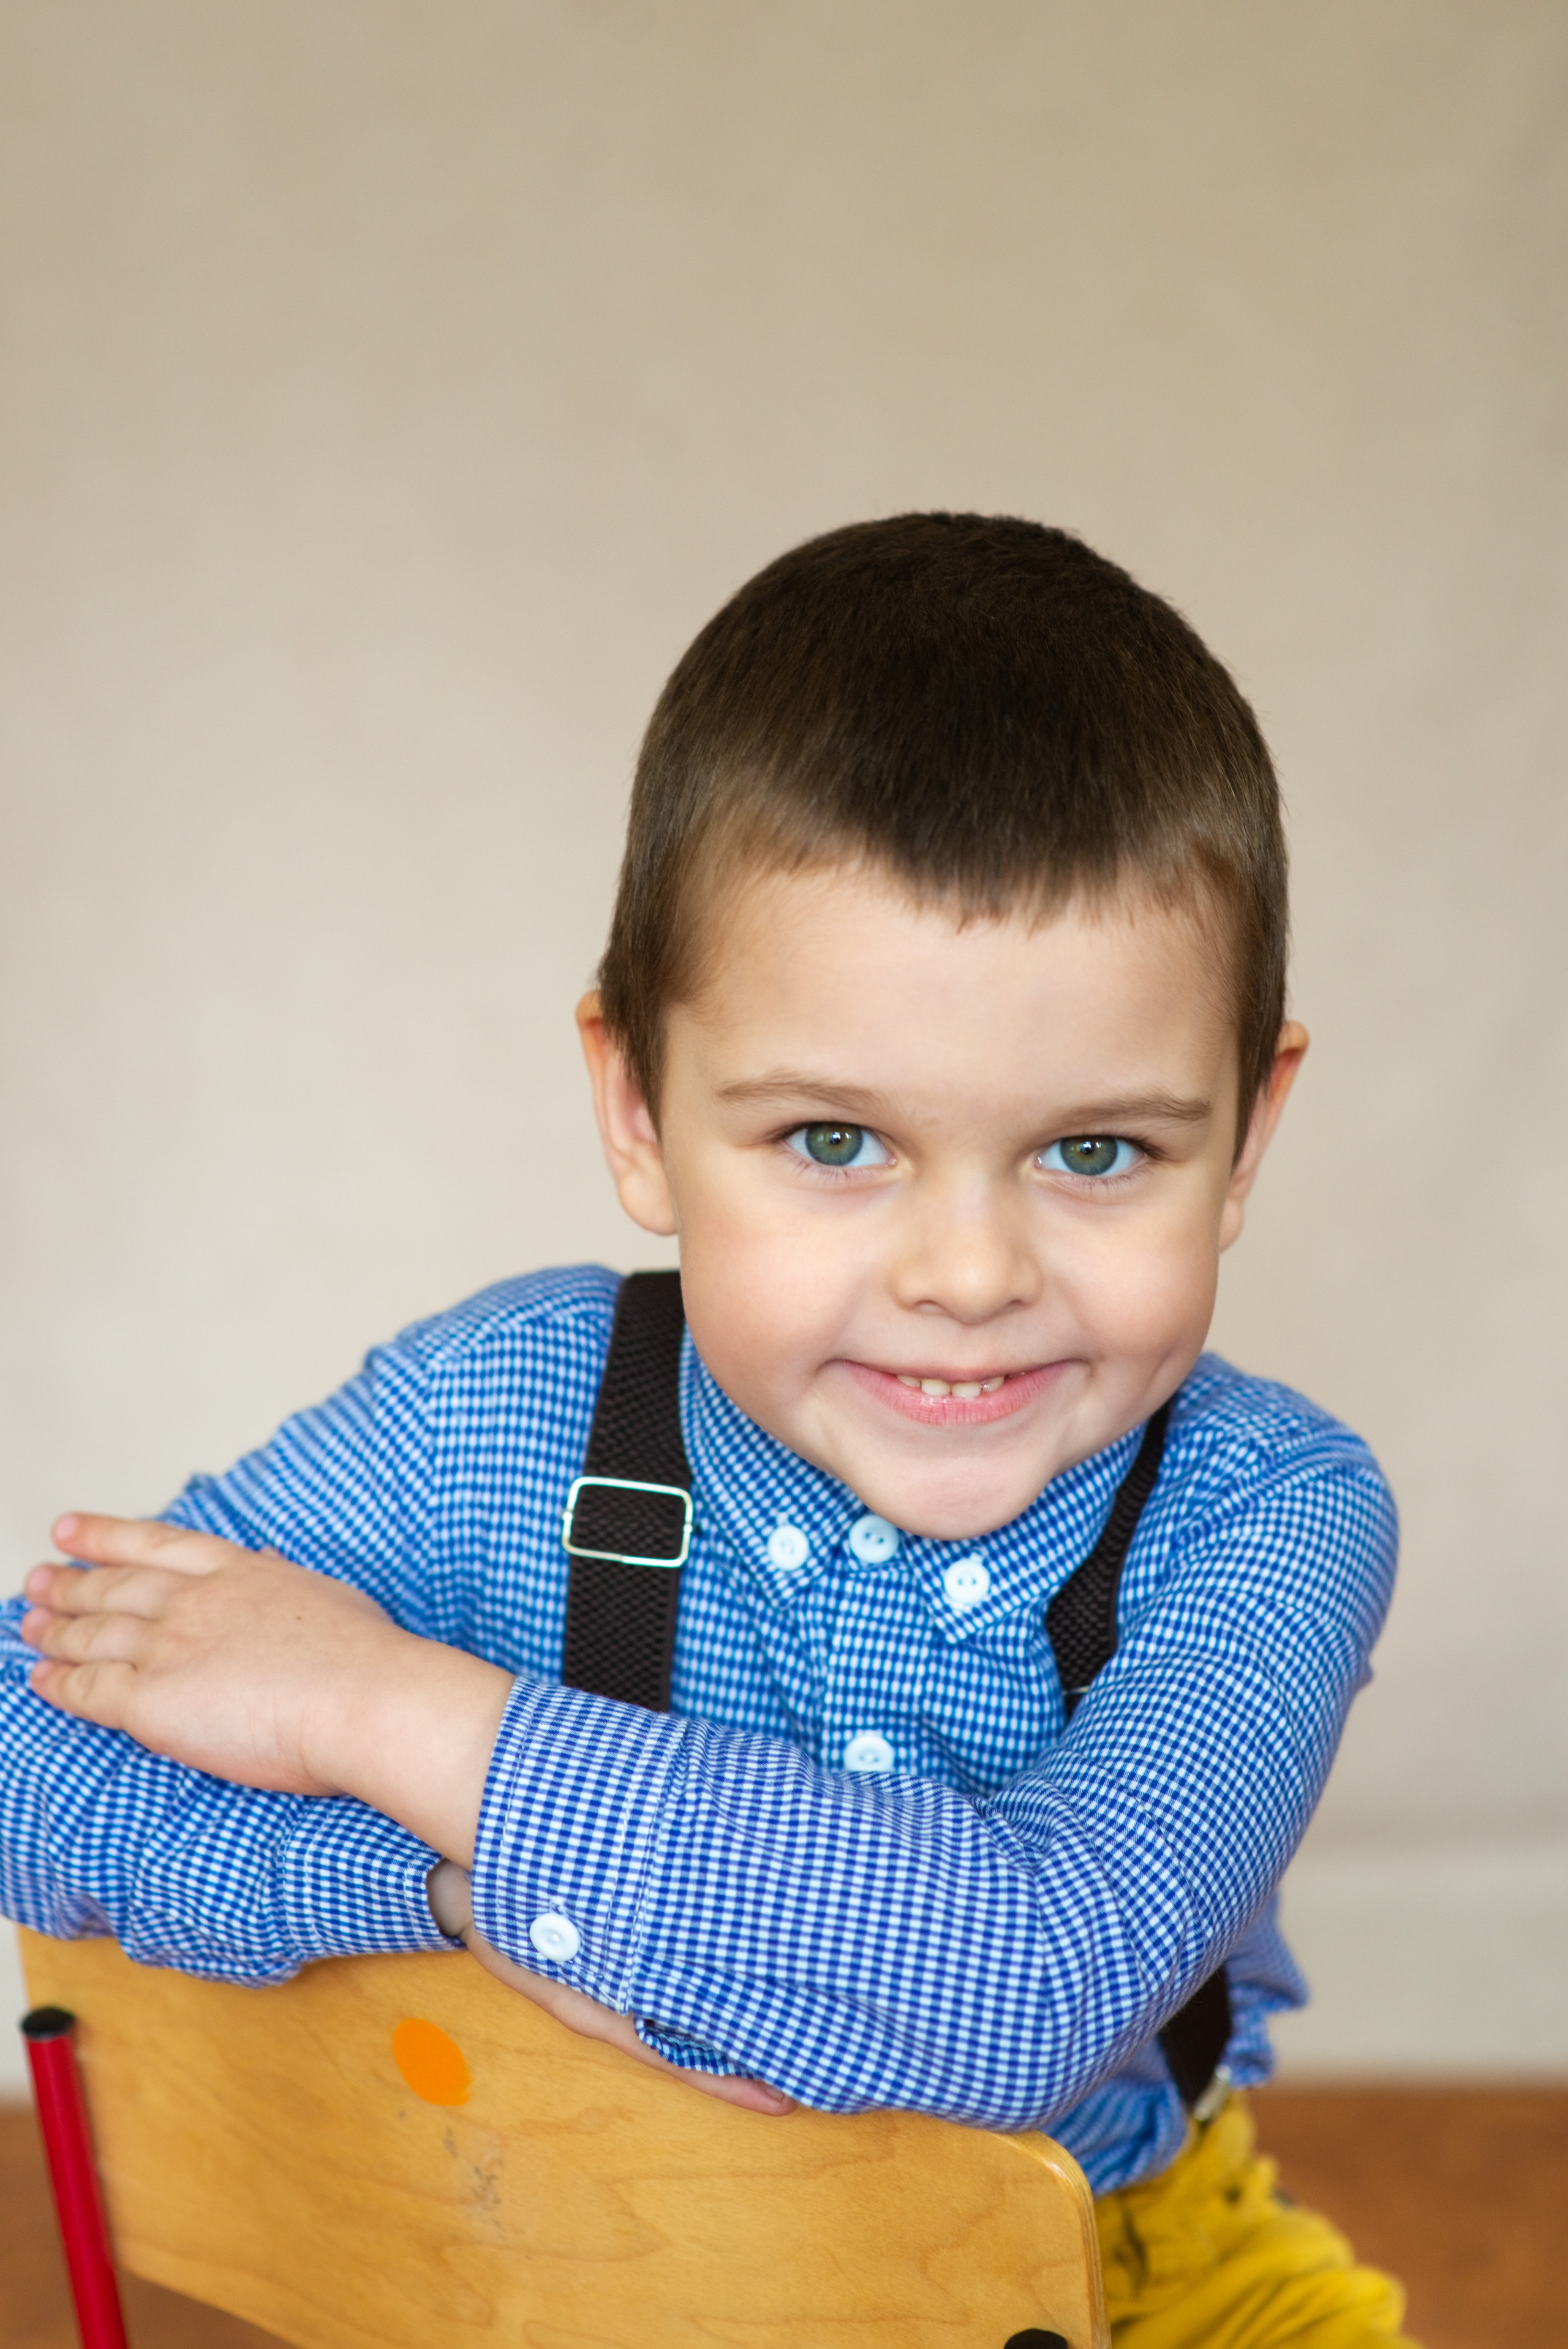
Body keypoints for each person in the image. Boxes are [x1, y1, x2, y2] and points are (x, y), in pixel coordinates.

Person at [4, 515, 1413, 2344]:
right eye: (835, 1140)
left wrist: (390, 1715)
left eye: (1097, 1149)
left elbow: (1024, 1985)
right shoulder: (493, 1414)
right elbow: (23, 1742)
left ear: (1250, 1131)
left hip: (1118, 2267)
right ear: (640, 1112)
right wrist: (436, 1884)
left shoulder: (1272, 1513)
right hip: (595, 2256)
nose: (969, 1271)